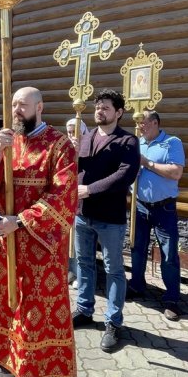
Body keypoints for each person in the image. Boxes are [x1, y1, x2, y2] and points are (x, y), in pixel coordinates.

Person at [0, 87, 77, 377]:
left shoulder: (59, 145)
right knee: (3, 307)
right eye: (14, 104)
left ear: (39, 107)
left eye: (23, 105)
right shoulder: (7, 140)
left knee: (38, 316)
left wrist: (19, 221)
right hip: (3, 245)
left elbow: (63, 196)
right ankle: (4, 368)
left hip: (38, 251)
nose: (16, 110)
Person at [72, 89, 140, 353]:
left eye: (105, 107)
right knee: (85, 264)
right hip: (83, 214)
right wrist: (71, 154)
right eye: (98, 107)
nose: (99, 111)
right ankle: (84, 309)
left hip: (110, 217)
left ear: (119, 112)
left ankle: (113, 322)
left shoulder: (127, 141)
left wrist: (89, 189)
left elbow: (125, 175)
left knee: (113, 269)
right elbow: (77, 169)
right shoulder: (86, 137)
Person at [127, 110, 185, 320]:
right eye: (138, 123)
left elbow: (176, 172)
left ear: (155, 122)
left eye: (143, 123)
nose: (139, 126)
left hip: (164, 208)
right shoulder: (137, 143)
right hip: (140, 205)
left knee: (168, 254)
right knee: (136, 248)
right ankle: (136, 285)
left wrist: (147, 163)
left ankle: (171, 299)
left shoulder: (171, 143)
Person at [65, 116, 89, 288]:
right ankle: (69, 271)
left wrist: (79, 152)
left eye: (75, 132)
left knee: (80, 241)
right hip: (66, 200)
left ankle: (81, 275)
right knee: (67, 240)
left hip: (83, 201)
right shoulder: (65, 146)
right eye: (69, 132)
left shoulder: (89, 146)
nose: (72, 135)